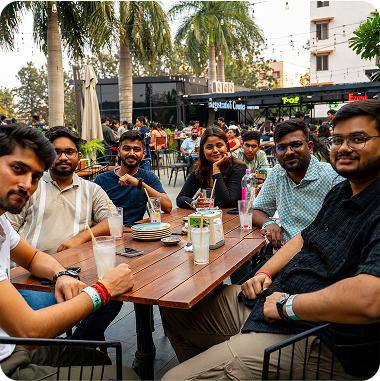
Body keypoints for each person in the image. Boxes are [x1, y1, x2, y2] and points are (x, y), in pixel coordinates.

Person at [161, 99, 380, 381]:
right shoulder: (343, 192)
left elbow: (370, 298)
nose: (344, 147)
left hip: (319, 334)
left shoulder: (338, 183)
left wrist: (287, 305)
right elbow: (303, 236)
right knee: (176, 314)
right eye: (338, 139)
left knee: (172, 379)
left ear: (311, 147)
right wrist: (265, 271)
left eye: (358, 139)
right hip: (276, 295)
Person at [0, 124, 139, 381]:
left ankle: (80, 342)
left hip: (67, 278)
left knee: (98, 358)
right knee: (126, 375)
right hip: (12, 350)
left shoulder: (1, 223)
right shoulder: (21, 202)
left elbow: (31, 256)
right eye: (17, 168)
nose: (26, 184)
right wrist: (102, 290)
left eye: (34, 175)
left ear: (78, 156)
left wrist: (61, 273)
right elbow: (28, 332)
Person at [252, 118, 344, 250]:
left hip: (320, 257)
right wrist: (269, 223)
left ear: (310, 147)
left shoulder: (332, 178)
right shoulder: (277, 173)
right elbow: (256, 210)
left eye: (296, 145)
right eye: (282, 147)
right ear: (276, 153)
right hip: (283, 257)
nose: (289, 152)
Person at [94, 130, 172, 226]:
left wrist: (140, 184)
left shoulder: (148, 177)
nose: (131, 153)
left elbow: (167, 207)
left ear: (143, 154)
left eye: (136, 149)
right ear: (119, 152)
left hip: (138, 232)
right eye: (126, 149)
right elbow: (89, 216)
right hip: (110, 232)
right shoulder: (101, 180)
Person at [177, 127, 246, 209]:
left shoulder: (238, 167)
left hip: (233, 219)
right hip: (208, 218)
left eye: (219, 146)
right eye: (209, 147)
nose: (215, 150)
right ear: (203, 150)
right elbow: (180, 198)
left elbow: (226, 202)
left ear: (226, 146)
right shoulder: (200, 168)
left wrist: (216, 168)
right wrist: (194, 203)